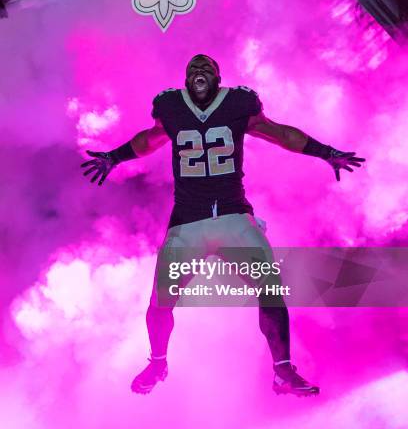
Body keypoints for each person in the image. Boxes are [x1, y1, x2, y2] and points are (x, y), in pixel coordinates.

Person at [81, 54, 365, 397]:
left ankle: (282, 371)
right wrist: (113, 157)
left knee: (270, 291)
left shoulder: (239, 103)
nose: (199, 71)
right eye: (192, 69)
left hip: (233, 213)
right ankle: (158, 362)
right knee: (160, 300)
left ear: (218, 76)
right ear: (185, 79)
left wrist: (325, 152)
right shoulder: (170, 105)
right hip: (188, 219)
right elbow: (150, 139)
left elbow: (280, 134)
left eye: (207, 68)